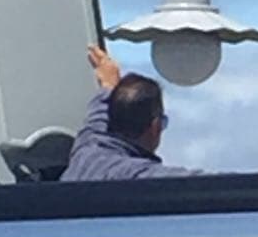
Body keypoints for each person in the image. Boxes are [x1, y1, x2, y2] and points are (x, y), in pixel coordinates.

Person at [62, 45, 197, 181]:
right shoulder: (133, 175)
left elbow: (97, 117)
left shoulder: (86, 149)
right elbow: (200, 185)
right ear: (155, 127)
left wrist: (109, 85)